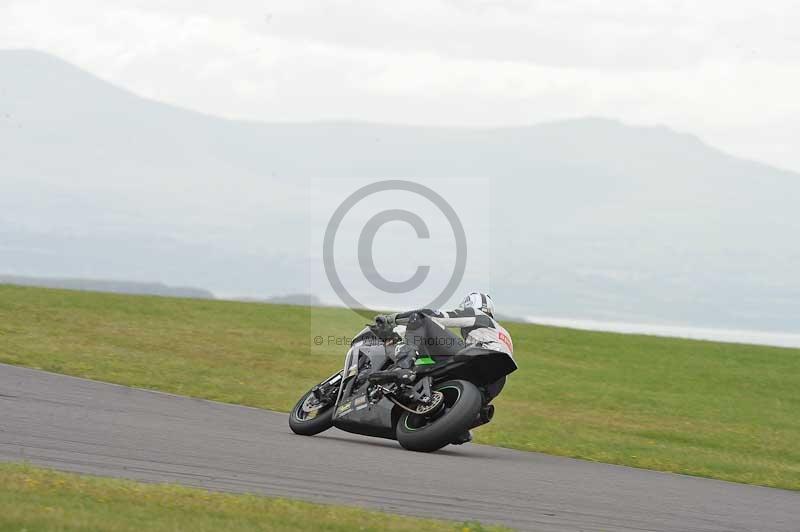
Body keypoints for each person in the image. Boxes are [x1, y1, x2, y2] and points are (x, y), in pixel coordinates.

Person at [374, 292, 514, 443]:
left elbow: (435, 315)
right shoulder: (501, 332)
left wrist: (392, 319)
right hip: (497, 381)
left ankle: (403, 366)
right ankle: (458, 424)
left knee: (420, 317)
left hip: (479, 358)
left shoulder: (477, 315)